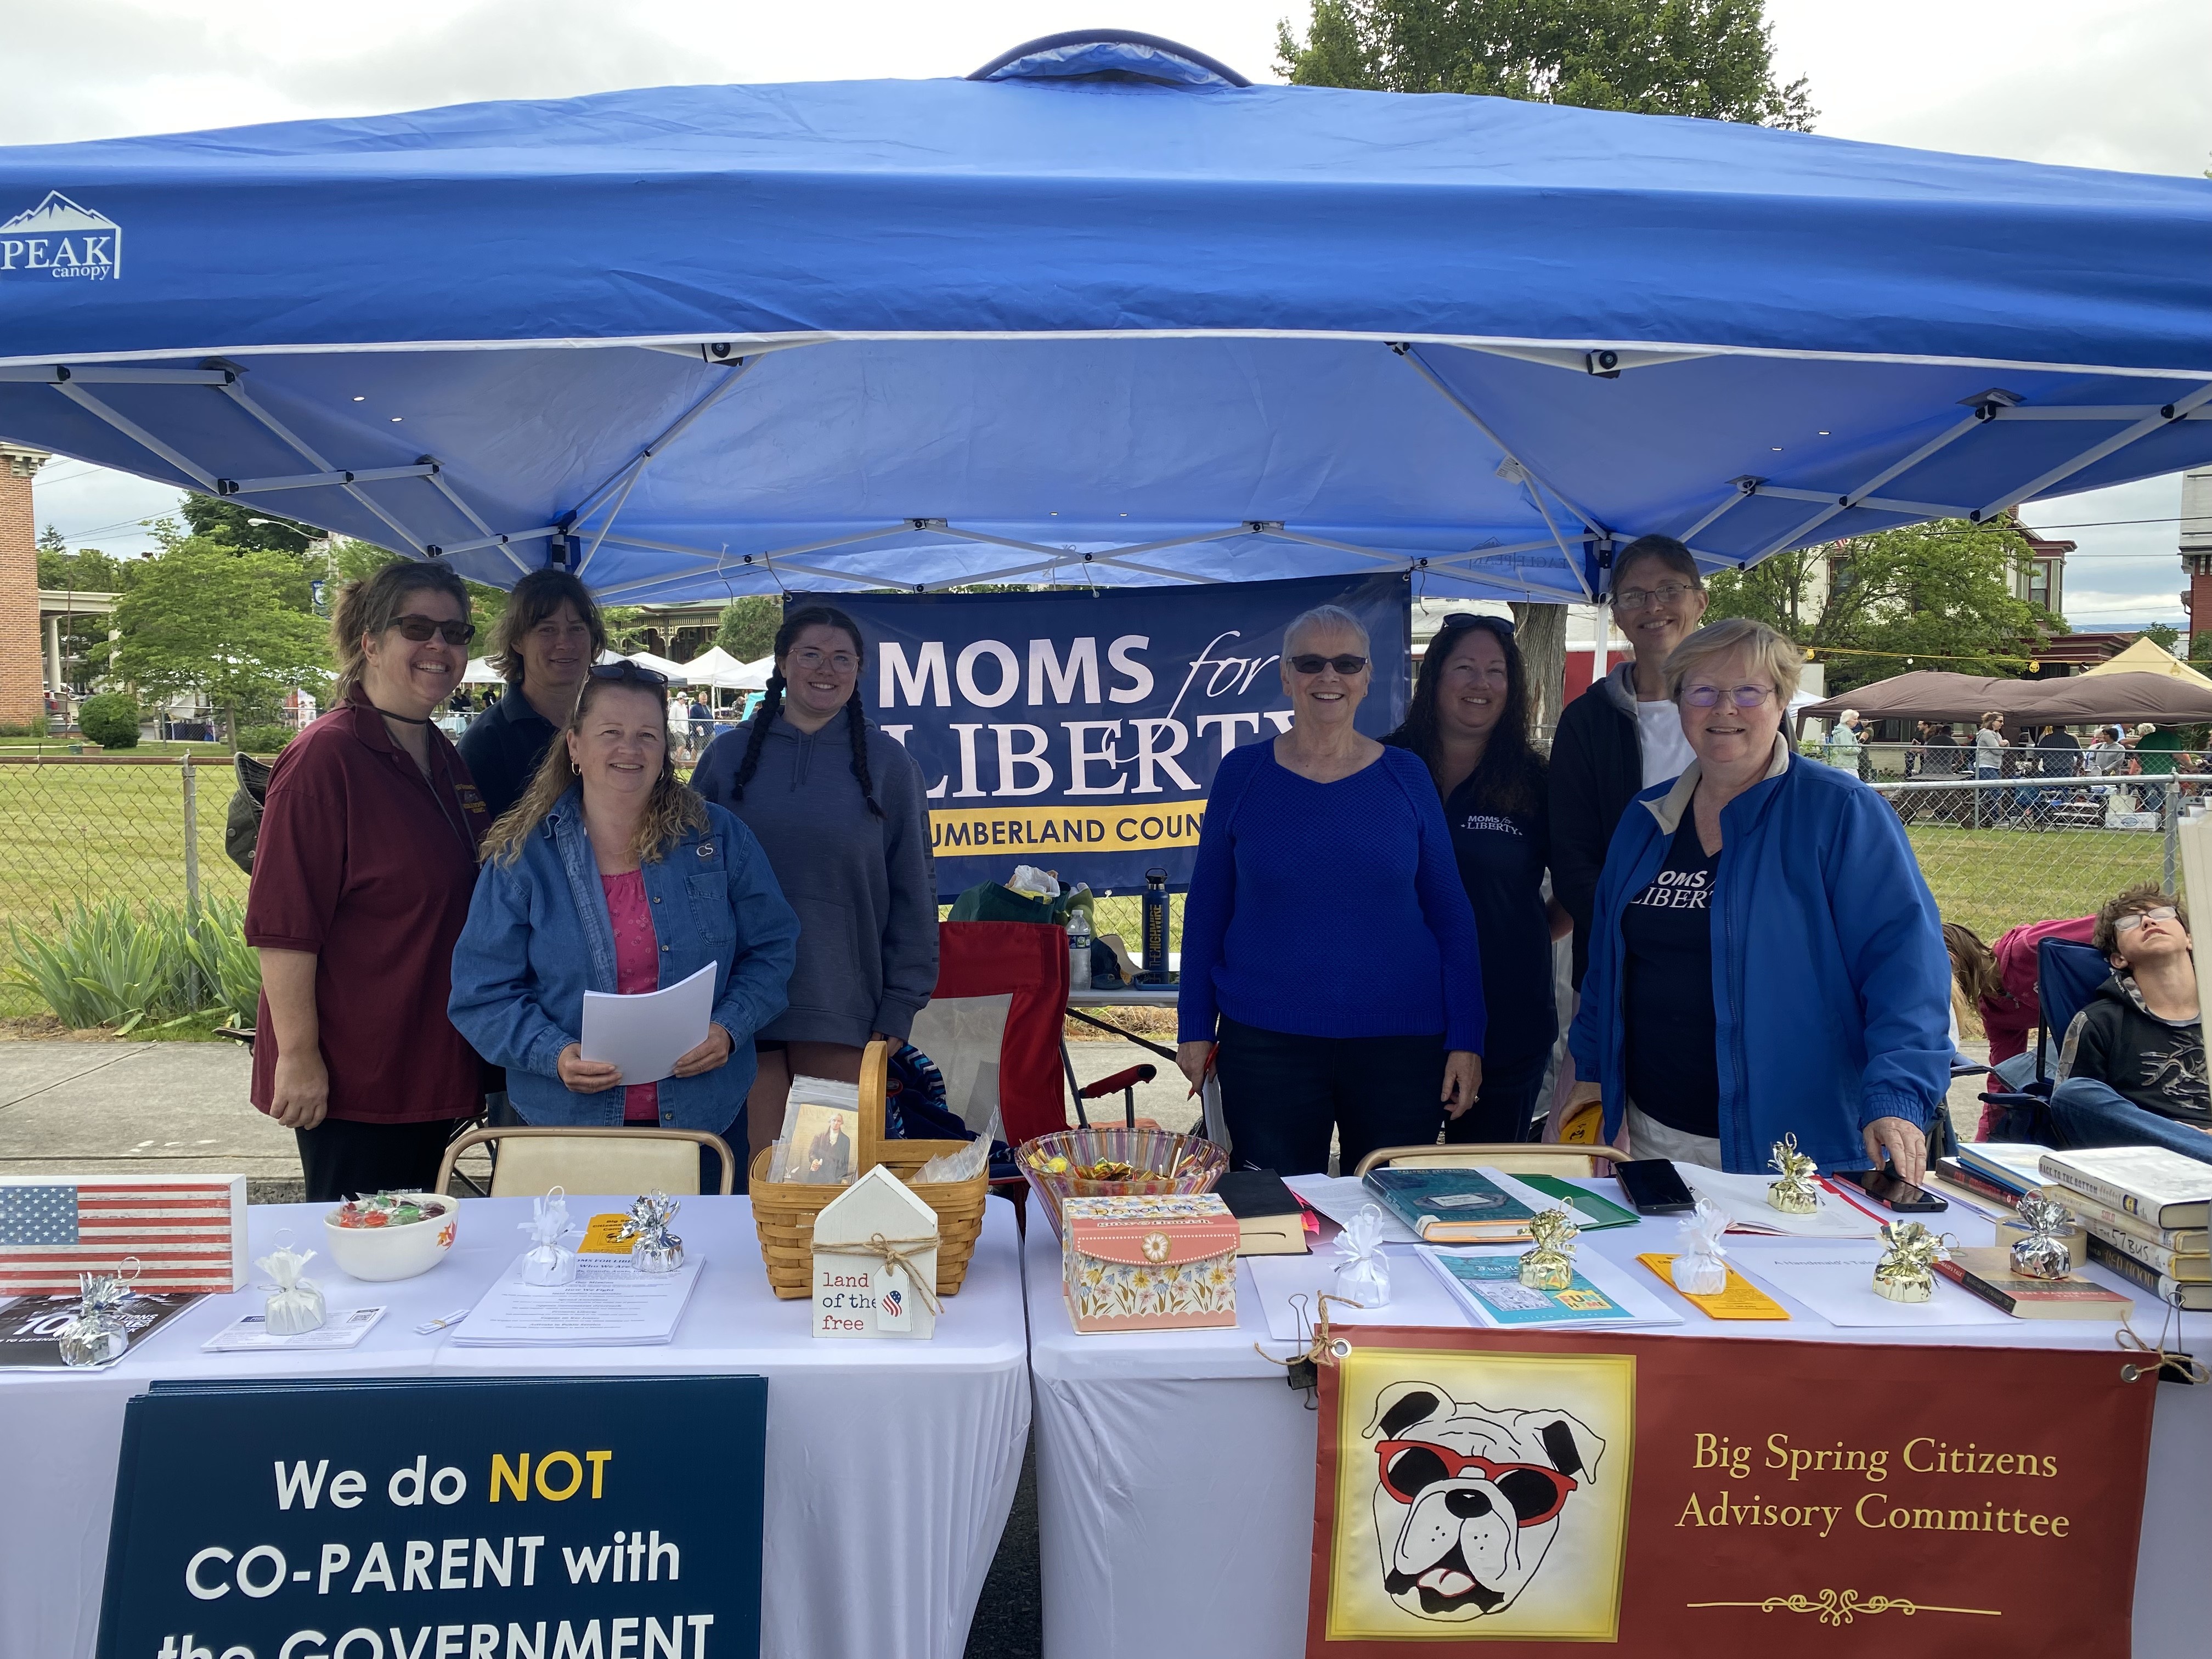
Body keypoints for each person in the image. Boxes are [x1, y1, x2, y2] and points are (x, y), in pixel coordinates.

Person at [1567, 618, 1952, 1178]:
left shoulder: (1838, 811)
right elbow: (1607, 965)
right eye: (1703, 691)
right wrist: (1590, 1072)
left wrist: (1897, 1094)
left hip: (1795, 1147)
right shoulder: (1647, 818)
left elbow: (1907, 970)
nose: (1725, 709)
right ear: (1680, 703)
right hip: (1656, 1135)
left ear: (1781, 701)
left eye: (1748, 691)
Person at [448, 662, 800, 1173]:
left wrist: (729, 1027)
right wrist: (553, 1053)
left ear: (664, 749)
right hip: (565, 1128)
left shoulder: (719, 838)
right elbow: (481, 994)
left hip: (703, 1121)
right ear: (574, 746)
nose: (629, 750)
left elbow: (773, 949)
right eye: (610, 732)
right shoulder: (522, 858)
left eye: (646, 735)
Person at [1176, 605, 1485, 1176]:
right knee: (1281, 1213)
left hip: (1401, 1043)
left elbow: (1452, 916)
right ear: (1285, 676)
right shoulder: (1243, 774)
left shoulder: (1407, 775)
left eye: (1347, 663)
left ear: (1367, 678)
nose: (1329, 677)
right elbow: (1206, 910)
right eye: (1310, 663)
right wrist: (1194, 1027)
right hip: (1267, 1044)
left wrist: (1467, 1038)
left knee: (1397, 1212)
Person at [244, 561, 494, 1201]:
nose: (439, 645)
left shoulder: (441, 754)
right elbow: (283, 927)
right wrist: (299, 1056)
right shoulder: (324, 758)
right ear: (372, 643)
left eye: (455, 632)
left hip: (426, 1062)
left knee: (419, 1241)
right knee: (362, 1247)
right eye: (417, 628)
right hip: (354, 1078)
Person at [692, 605, 938, 1175]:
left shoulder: (890, 766)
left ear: (858, 671)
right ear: (782, 664)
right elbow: (685, 881)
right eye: (810, 654)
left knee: (828, 1180)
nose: (826, 669)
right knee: (756, 1182)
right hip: (738, 1012)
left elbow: (915, 889)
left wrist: (902, 1002)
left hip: (842, 1007)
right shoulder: (726, 758)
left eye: (842, 659)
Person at [1385, 613, 1567, 1142]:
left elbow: (1579, 887)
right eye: (1464, 667)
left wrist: (1520, 932)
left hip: (1506, 1016)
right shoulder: (1381, 766)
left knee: (1488, 1181)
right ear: (1435, 679)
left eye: (1496, 671)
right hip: (1395, 1016)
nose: (1480, 683)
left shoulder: (1538, 782)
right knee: (1387, 1172)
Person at [1550, 534, 1709, 989]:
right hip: (1616, 963)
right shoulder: (1587, 720)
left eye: (1669, 589)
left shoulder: (1746, 710)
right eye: (1635, 595)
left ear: (1700, 601)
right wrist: (1637, 934)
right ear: (1617, 614)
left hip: (1727, 959)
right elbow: (1572, 858)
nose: (1653, 606)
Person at [2049, 884, 2212, 1164]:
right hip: (2145, 1154)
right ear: (2119, 958)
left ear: (2190, 938)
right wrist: (2181, 1137)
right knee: (2073, 1094)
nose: (2149, 922)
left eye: (2162, 914)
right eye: (2129, 923)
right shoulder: (2100, 1021)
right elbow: (2073, 1113)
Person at [458, 568, 607, 822]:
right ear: (517, 641)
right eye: (547, 630)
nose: (565, 643)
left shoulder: (612, 725)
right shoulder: (486, 742)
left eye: (576, 629)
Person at [1822, 708, 1864, 775]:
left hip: (1840, 762)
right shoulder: (1845, 732)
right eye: (1855, 719)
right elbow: (1847, 750)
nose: (1857, 721)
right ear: (1847, 720)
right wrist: (1859, 748)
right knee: (1853, 781)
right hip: (1847, 764)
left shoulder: (1840, 730)